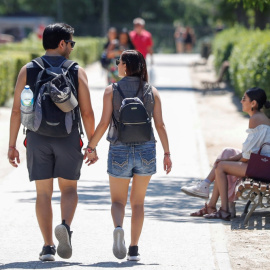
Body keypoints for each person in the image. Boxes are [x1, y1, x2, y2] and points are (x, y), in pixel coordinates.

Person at [8, 23, 95, 261]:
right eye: (71, 43)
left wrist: (12, 145)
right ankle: (65, 226)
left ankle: (47, 247)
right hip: (68, 138)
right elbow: (87, 113)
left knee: (43, 194)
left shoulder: (28, 69)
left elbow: (18, 110)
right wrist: (92, 145)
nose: (72, 48)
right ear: (62, 44)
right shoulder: (76, 70)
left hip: (36, 137)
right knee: (69, 188)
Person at [84, 50, 172, 261]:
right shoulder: (152, 91)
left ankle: (118, 227)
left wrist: (91, 147)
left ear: (125, 66)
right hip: (147, 150)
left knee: (118, 201)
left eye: (119, 62)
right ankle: (133, 249)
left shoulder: (111, 90)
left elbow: (104, 123)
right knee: (138, 203)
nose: (117, 65)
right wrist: (167, 153)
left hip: (119, 150)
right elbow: (159, 124)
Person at [183, 87, 270, 221]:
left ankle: (224, 210)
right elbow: (248, 152)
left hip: (263, 168)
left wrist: (227, 162)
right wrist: (229, 158)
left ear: (253, 103)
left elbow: (246, 157)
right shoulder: (260, 117)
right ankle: (210, 203)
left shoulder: (256, 119)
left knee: (221, 166)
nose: (241, 101)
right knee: (227, 152)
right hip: (262, 164)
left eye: (244, 99)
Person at [181, 148, 241, 218]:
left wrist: (228, 160)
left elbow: (248, 155)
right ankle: (211, 205)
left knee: (223, 164)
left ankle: (205, 186)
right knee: (228, 152)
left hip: (253, 165)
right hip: (251, 160)